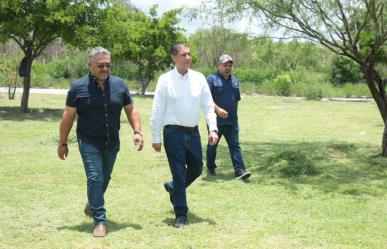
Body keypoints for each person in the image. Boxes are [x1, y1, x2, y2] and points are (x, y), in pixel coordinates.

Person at [57, 47, 144, 237]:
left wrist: (137, 131)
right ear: (90, 65)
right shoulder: (78, 87)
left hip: (112, 141)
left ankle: (92, 204)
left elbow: (131, 110)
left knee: (104, 178)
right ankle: (100, 220)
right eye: (100, 65)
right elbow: (68, 116)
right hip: (88, 141)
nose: (105, 68)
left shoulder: (120, 85)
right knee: (95, 177)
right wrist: (62, 143)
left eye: (108, 65)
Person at [150, 43, 218, 228]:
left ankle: (173, 188)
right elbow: (157, 109)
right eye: (183, 54)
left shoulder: (199, 78)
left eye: (189, 54)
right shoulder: (165, 80)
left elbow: (208, 105)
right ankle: (181, 214)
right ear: (174, 57)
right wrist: (156, 137)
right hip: (173, 133)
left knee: (196, 168)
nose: (188, 57)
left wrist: (213, 129)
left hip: (193, 132)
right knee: (179, 173)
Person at [206, 54, 251, 180]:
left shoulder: (235, 81)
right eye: (225, 65)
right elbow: (207, 100)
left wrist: (234, 117)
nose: (228, 68)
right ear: (219, 65)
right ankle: (210, 167)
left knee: (235, 145)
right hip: (215, 122)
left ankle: (239, 170)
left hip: (231, 122)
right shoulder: (211, 79)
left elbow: (236, 100)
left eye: (230, 65)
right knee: (212, 145)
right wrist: (218, 109)